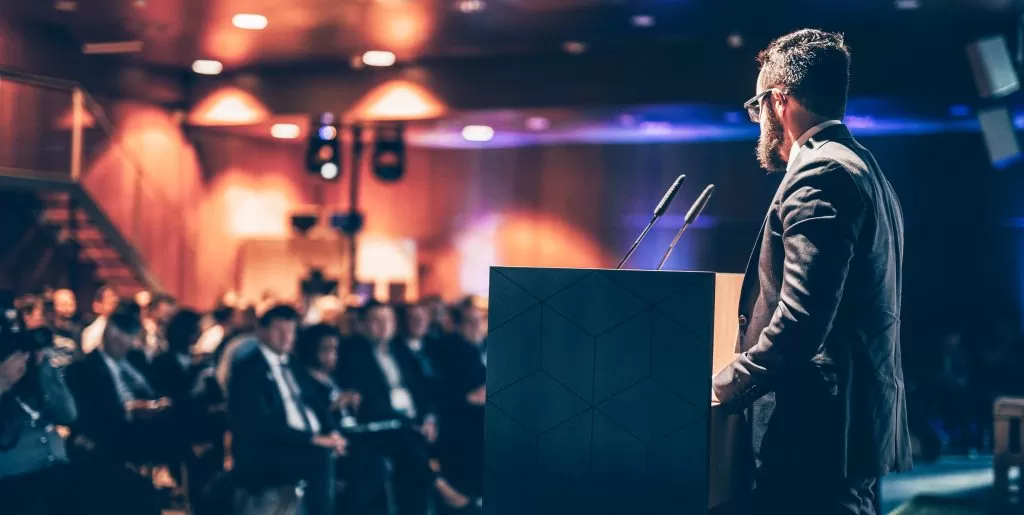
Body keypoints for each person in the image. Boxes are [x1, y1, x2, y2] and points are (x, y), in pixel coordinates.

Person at [711, 29, 911, 514]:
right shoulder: (866, 168)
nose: (758, 121)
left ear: (779, 101)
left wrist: (725, 383)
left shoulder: (820, 174)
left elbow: (802, 320)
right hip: (847, 426)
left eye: (758, 107)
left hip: (814, 429)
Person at [227, 305, 346, 515]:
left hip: (309, 440)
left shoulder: (293, 364)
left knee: (367, 459)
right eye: (279, 330)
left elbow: (315, 402)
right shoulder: (247, 370)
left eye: (290, 331)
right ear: (262, 332)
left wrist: (332, 431)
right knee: (319, 458)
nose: (286, 337)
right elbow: (260, 425)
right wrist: (312, 439)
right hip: (270, 449)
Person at [65, 299, 165, 515]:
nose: (128, 342)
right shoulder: (84, 369)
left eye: (130, 336)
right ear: (109, 335)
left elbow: (153, 389)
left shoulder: (134, 362)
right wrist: (130, 409)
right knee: (144, 492)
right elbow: (90, 418)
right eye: (121, 336)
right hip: (106, 440)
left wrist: (154, 405)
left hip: (138, 431)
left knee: (181, 419)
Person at [0, 293, 79, 515]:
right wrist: (2, 382)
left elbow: (68, 414)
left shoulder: (29, 369)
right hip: (15, 479)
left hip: (56, 469)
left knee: (128, 491)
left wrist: (43, 367)